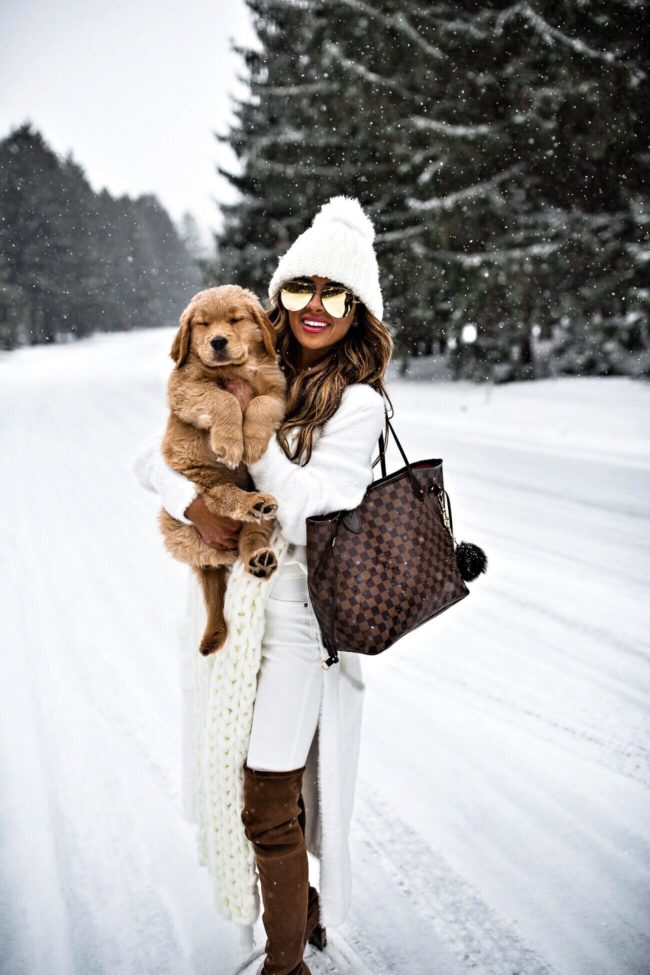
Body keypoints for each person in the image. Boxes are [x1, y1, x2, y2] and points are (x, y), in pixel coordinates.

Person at [133, 196, 394, 975]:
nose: (313, 308)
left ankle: (285, 967)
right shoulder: (247, 362)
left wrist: (252, 438)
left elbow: (323, 497)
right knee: (260, 779)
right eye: (299, 289)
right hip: (240, 608)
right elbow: (152, 457)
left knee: (268, 796)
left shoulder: (358, 402)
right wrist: (196, 503)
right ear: (277, 296)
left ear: (359, 310)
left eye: (335, 294)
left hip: (304, 625)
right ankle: (300, 913)